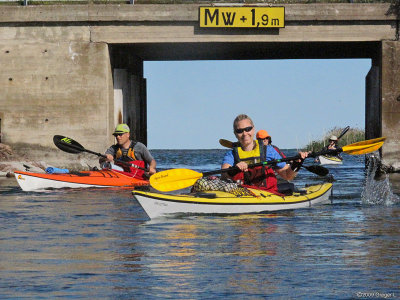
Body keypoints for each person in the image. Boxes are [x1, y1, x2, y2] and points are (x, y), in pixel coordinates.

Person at [221, 114, 308, 194]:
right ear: (235, 134)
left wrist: (297, 164)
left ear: (253, 129)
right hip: (244, 194)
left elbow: (287, 176)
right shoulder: (231, 154)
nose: (244, 134)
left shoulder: (268, 150)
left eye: (248, 129)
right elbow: (224, 174)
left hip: (268, 194)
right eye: (240, 131)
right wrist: (234, 169)